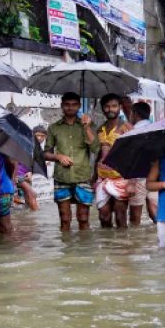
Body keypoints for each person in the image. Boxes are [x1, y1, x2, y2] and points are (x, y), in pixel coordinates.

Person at [44, 92, 99, 231]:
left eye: (74, 105)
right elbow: (45, 153)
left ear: (79, 106)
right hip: (62, 176)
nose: (70, 108)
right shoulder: (53, 127)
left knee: (84, 218)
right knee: (65, 219)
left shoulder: (88, 126)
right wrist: (58, 157)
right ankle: (67, 251)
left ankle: (82, 251)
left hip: (83, 176)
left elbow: (95, 148)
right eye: (67, 105)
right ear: (62, 106)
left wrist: (86, 127)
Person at [93, 93, 132, 228]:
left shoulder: (127, 128)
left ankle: (121, 247)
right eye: (107, 106)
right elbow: (98, 154)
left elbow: (134, 154)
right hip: (102, 177)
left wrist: (132, 181)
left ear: (120, 107)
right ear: (103, 108)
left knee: (120, 214)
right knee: (104, 215)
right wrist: (93, 177)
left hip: (121, 177)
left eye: (114, 106)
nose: (111, 109)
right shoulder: (100, 129)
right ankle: (107, 248)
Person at [128, 101, 158, 225]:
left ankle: (135, 243)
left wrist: (130, 182)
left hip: (138, 177)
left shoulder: (132, 132)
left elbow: (132, 157)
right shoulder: (157, 129)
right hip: (156, 176)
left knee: (135, 218)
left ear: (134, 114)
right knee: (156, 214)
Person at [0, 150, 16, 235]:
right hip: (6, 189)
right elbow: (12, 163)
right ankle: (9, 245)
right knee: (5, 225)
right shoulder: (4, 147)